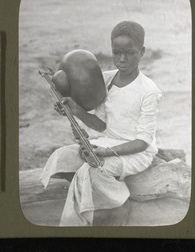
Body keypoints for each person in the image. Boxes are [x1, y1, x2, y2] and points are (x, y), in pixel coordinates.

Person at [40, 21, 163, 226]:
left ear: (142, 51)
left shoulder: (149, 91)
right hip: (108, 141)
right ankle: (100, 194)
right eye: (116, 53)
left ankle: (120, 202)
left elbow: (142, 142)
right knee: (63, 156)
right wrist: (74, 110)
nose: (121, 59)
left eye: (129, 53)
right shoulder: (106, 80)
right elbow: (101, 126)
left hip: (136, 152)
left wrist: (105, 153)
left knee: (91, 169)